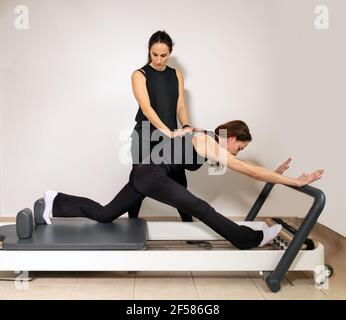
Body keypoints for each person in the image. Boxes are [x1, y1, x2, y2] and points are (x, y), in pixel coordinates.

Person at [39, 120, 324, 250]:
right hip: (151, 175)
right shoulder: (206, 141)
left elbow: (250, 170)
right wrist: (294, 181)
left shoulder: (201, 133)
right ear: (233, 137)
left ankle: (56, 200)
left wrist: (273, 174)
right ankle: (248, 240)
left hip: (142, 172)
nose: (236, 154)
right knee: (203, 207)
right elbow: (250, 172)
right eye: (239, 147)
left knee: (105, 214)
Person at [129, 30, 196, 221]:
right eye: (154, 54)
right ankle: (131, 227)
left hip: (171, 137)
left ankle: (189, 229)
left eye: (163, 55)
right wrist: (168, 131)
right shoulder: (139, 75)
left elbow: (181, 104)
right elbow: (147, 109)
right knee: (136, 184)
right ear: (149, 51)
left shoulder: (176, 74)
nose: (158, 60)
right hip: (144, 135)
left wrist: (185, 125)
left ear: (170, 53)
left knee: (179, 184)